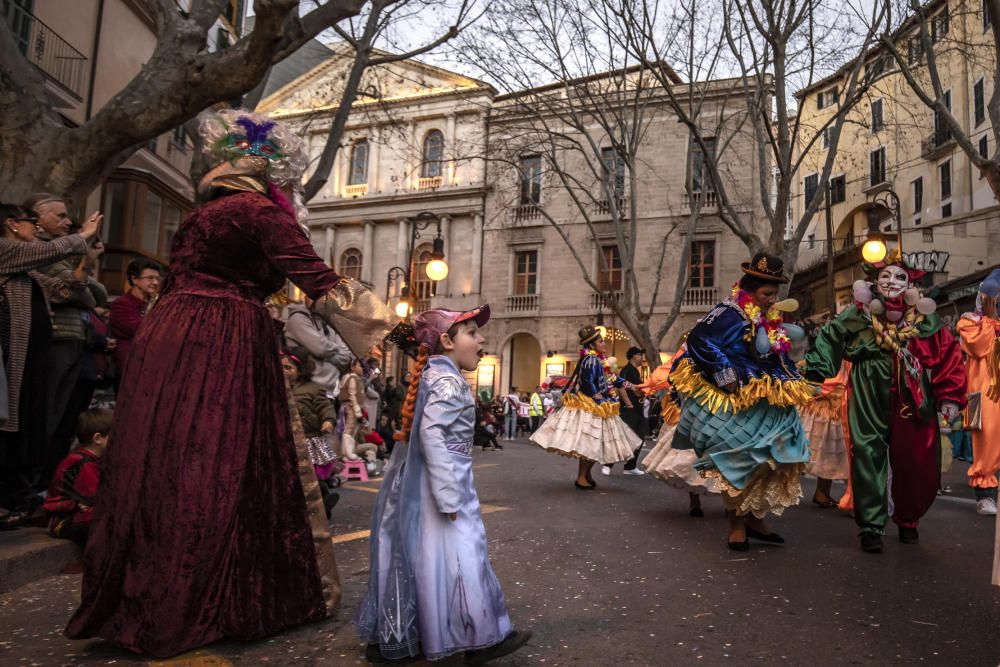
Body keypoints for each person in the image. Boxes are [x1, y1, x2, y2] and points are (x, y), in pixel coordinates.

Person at [66, 109, 398, 658]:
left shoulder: (203, 216)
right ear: (270, 173)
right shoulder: (260, 213)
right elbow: (318, 281)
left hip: (166, 334)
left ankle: (138, 598)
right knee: (218, 462)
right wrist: (393, 324)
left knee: (163, 459)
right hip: (222, 337)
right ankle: (204, 602)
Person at [356, 305, 531, 664]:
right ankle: (480, 637)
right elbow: (433, 435)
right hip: (442, 488)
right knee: (464, 556)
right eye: (471, 332)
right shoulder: (449, 381)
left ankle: (403, 634)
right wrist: (449, 496)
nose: (481, 339)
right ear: (447, 341)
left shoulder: (434, 375)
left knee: (421, 559)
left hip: (425, 487)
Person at [804, 250, 966, 553]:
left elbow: (948, 355)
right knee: (867, 455)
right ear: (874, 282)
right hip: (867, 390)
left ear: (911, 284)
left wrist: (950, 396)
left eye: (900, 276)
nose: (893, 282)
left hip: (913, 395)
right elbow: (829, 338)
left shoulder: (924, 320)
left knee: (916, 458)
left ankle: (908, 520)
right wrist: (816, 375)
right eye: (886, 276)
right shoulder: (858, 316)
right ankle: (870, 527)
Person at [670, 253, 812, 551]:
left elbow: (775, 352)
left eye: (774, 294)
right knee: (737, 462)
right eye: (766, 293)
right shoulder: (728, 312)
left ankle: (755, 520)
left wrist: (795, 377)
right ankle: (737, 525)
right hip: (736, 401)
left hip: (768, 399)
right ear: (749, 290)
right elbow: (699, 340)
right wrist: (724, 373)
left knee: (770, 462)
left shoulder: (769, 316)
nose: (771, 299)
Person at [0, 203, 101, 524]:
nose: (38, 230)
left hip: (33, 357)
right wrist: (82, 235)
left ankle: (18, 498)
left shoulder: (27, 269)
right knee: (10, 426)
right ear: (13, 225)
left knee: (31, 424)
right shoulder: (6, 252)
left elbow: (70, 290)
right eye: (33, 223)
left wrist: (88, 258)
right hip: (12, 358)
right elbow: (50, 253)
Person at [24, 194, 101, 482]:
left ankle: (40, 482)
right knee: (42, 416)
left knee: (58, 418)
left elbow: (89, 294)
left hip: (71, 342)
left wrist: (88, 261)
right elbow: (84, 294)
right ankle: (28, 481)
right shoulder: (35, 252)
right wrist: (83, 239)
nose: (67, 222)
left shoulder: (59, 256)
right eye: (60, 216)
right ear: (37, 221)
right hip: (51, 343)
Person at [531, 325, 640, 489]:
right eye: (601, 341)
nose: (604, 344)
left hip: (600, 406)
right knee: (590, 445)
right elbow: (587, 382)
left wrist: (631, 386)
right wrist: (596, 394)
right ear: (591, 345)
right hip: (590, 407)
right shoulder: (590, 360)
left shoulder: (600, 360)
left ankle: (586, 475)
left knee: (596, 445)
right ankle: (581, 477)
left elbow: (613, 378)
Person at [640, 346, 721, 517]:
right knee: (690, 458)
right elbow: (676, 385)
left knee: (722, 458)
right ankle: (695, 500)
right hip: (694, 415)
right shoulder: (687, 361)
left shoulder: (722, 356)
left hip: (719, 413)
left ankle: (731, 504)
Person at [957, 269, 1000, 516]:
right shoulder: (969, 321)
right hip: (979, 394)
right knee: (984, 441)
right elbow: (979, 347)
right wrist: (990, 318)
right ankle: (983, 496)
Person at [282, 349, 340, 517]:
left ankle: (324, 501)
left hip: (309, 439)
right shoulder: (278, 389)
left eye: (288, 367)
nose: (284, 371)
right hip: (287, 440)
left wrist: (328, 421)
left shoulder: (313, 389)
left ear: (300, 369)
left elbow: (325, 407)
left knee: (313, 476)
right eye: (282, 367)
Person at [44, 408, 112, 546]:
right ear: (98, 438)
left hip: (78, 514)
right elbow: (96, 498)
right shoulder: (83, 462)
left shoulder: (93, 459)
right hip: (62, 521)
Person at [800, 361, 852, 508]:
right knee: (831, 442)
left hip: (835, 377)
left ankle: (822, 491)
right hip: (833, 381)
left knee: (830, 445)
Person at [283, 297, 353, 399]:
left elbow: (347, 354)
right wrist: (336, 351)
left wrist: (329, 351)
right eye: (315, 297)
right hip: (306, 390)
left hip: (329, 391)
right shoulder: (298, 319)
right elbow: (320, 349)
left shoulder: (326, 321)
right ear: (306, 298)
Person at [109, 257, 161, 373]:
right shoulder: (121, 304)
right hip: (130, 365)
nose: (156, 282)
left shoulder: (158, 303)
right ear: (134, 279)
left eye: (157, 278)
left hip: (152, 365)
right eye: (150, 278)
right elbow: (140, 330)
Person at [602, 346, 648, 477]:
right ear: (633, 356)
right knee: (622, 437)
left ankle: (630, 466)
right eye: (640, 355)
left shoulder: (635, 371)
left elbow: (637, 390)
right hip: (629, 410)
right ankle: (608, 464)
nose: (642, 358)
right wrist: (629, 403)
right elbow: (622, 388)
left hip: (637, 410)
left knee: (639, 437)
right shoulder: (628, 370)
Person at [339, 357, 366, 461]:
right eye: (359, 366)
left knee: (351, 429)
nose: (362, 368)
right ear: (352, 367)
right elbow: (352, 395)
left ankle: (346, 453)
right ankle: (348, 453)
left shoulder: (351, 377)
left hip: (351, 406)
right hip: (352, 407)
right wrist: (357, 410)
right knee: (349, 429)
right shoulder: (352, 378)